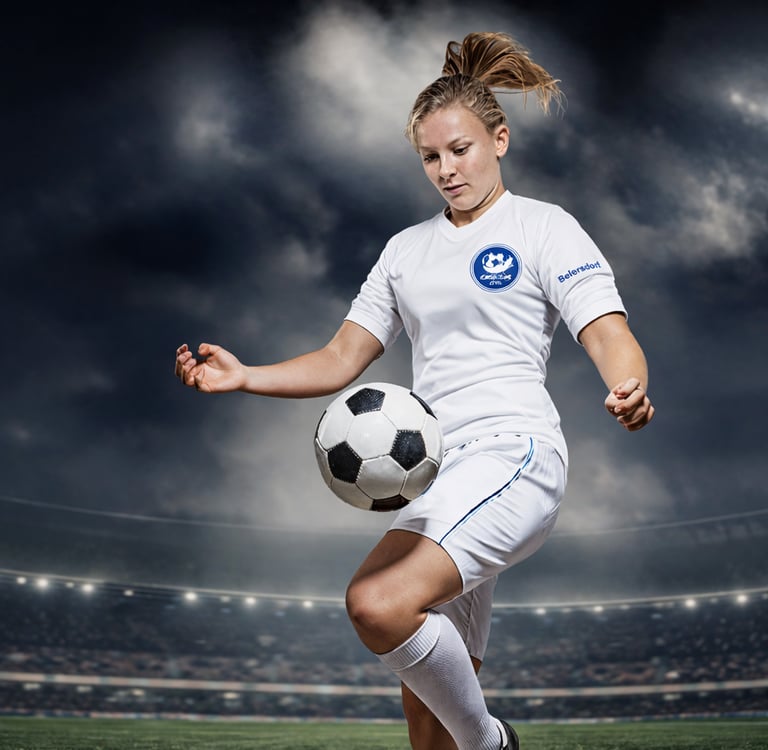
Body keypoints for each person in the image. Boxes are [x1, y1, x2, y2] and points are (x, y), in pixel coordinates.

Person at [175, 31, 654, 750]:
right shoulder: (405, 250)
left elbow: (606, 329)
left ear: (499, 138)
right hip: (435, 478)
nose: (446, 169)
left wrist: (629, 383)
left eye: (460, 150)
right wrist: (246, 376)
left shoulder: (543, 228)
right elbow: (342, 357)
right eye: (431, 157)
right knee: (428, 738)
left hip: (512, 455)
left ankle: (495, 744)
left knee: (375, 604)